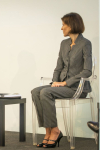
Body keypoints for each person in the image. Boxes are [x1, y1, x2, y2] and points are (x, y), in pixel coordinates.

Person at [31, 12, 92, 148]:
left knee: (46, 92)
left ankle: (55, 131)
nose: (61, 28)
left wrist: (65, 83)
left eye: (63, 25)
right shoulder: (64, 43)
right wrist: (54, 83)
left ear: (71, 25)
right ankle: (49, 130)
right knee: (36, 91)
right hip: (62, 86)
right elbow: (58, 68)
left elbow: (87, 71)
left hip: (77, 88)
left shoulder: (85, 44)